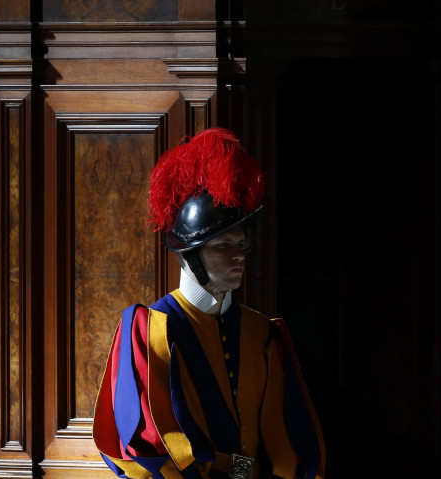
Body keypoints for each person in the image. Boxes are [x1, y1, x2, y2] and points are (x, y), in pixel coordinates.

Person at [93, 127, 325, 479]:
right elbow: (146, 445)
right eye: (222, 245)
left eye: (241, 244)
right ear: (189, 256)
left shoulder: (263, 331)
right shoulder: (151, 330)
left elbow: (291, 436)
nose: (239, 256)